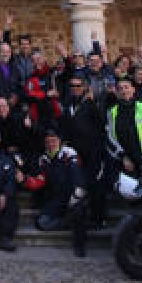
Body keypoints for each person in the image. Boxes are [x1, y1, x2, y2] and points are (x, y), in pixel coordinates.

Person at [58, 73, 109, 228]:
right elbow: (64, 126)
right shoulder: (67, 104)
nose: (75, 88)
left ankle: (98, 218)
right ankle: (76, 220)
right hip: (75, 152)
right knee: (76, 186)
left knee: (95, 186)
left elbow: (102, 125)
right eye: (72, 86)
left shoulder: (91, 104)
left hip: (93, 153)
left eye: (78, 86)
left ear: (85, 87)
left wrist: (100, 152)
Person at [31, 129, 89, 257]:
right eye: (48, 141)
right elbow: (40, 181)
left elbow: (79, 180)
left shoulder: (69, 154)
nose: (51, 144)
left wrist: (75, 198)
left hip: (74, 196)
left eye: (54, 140)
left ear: (60, 141)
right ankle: (66, 221)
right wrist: (25, 180)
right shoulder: (43, 159)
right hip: (57, 199)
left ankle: (79, 246)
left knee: (79, 213)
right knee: (41, 223)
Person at [0, 41, 21, 106]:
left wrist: (16, 96)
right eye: (3, 51)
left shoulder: (15, 69)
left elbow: (19, 86)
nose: (5, 54)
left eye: (8, 52)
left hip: (12, 108)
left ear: (10, 54)